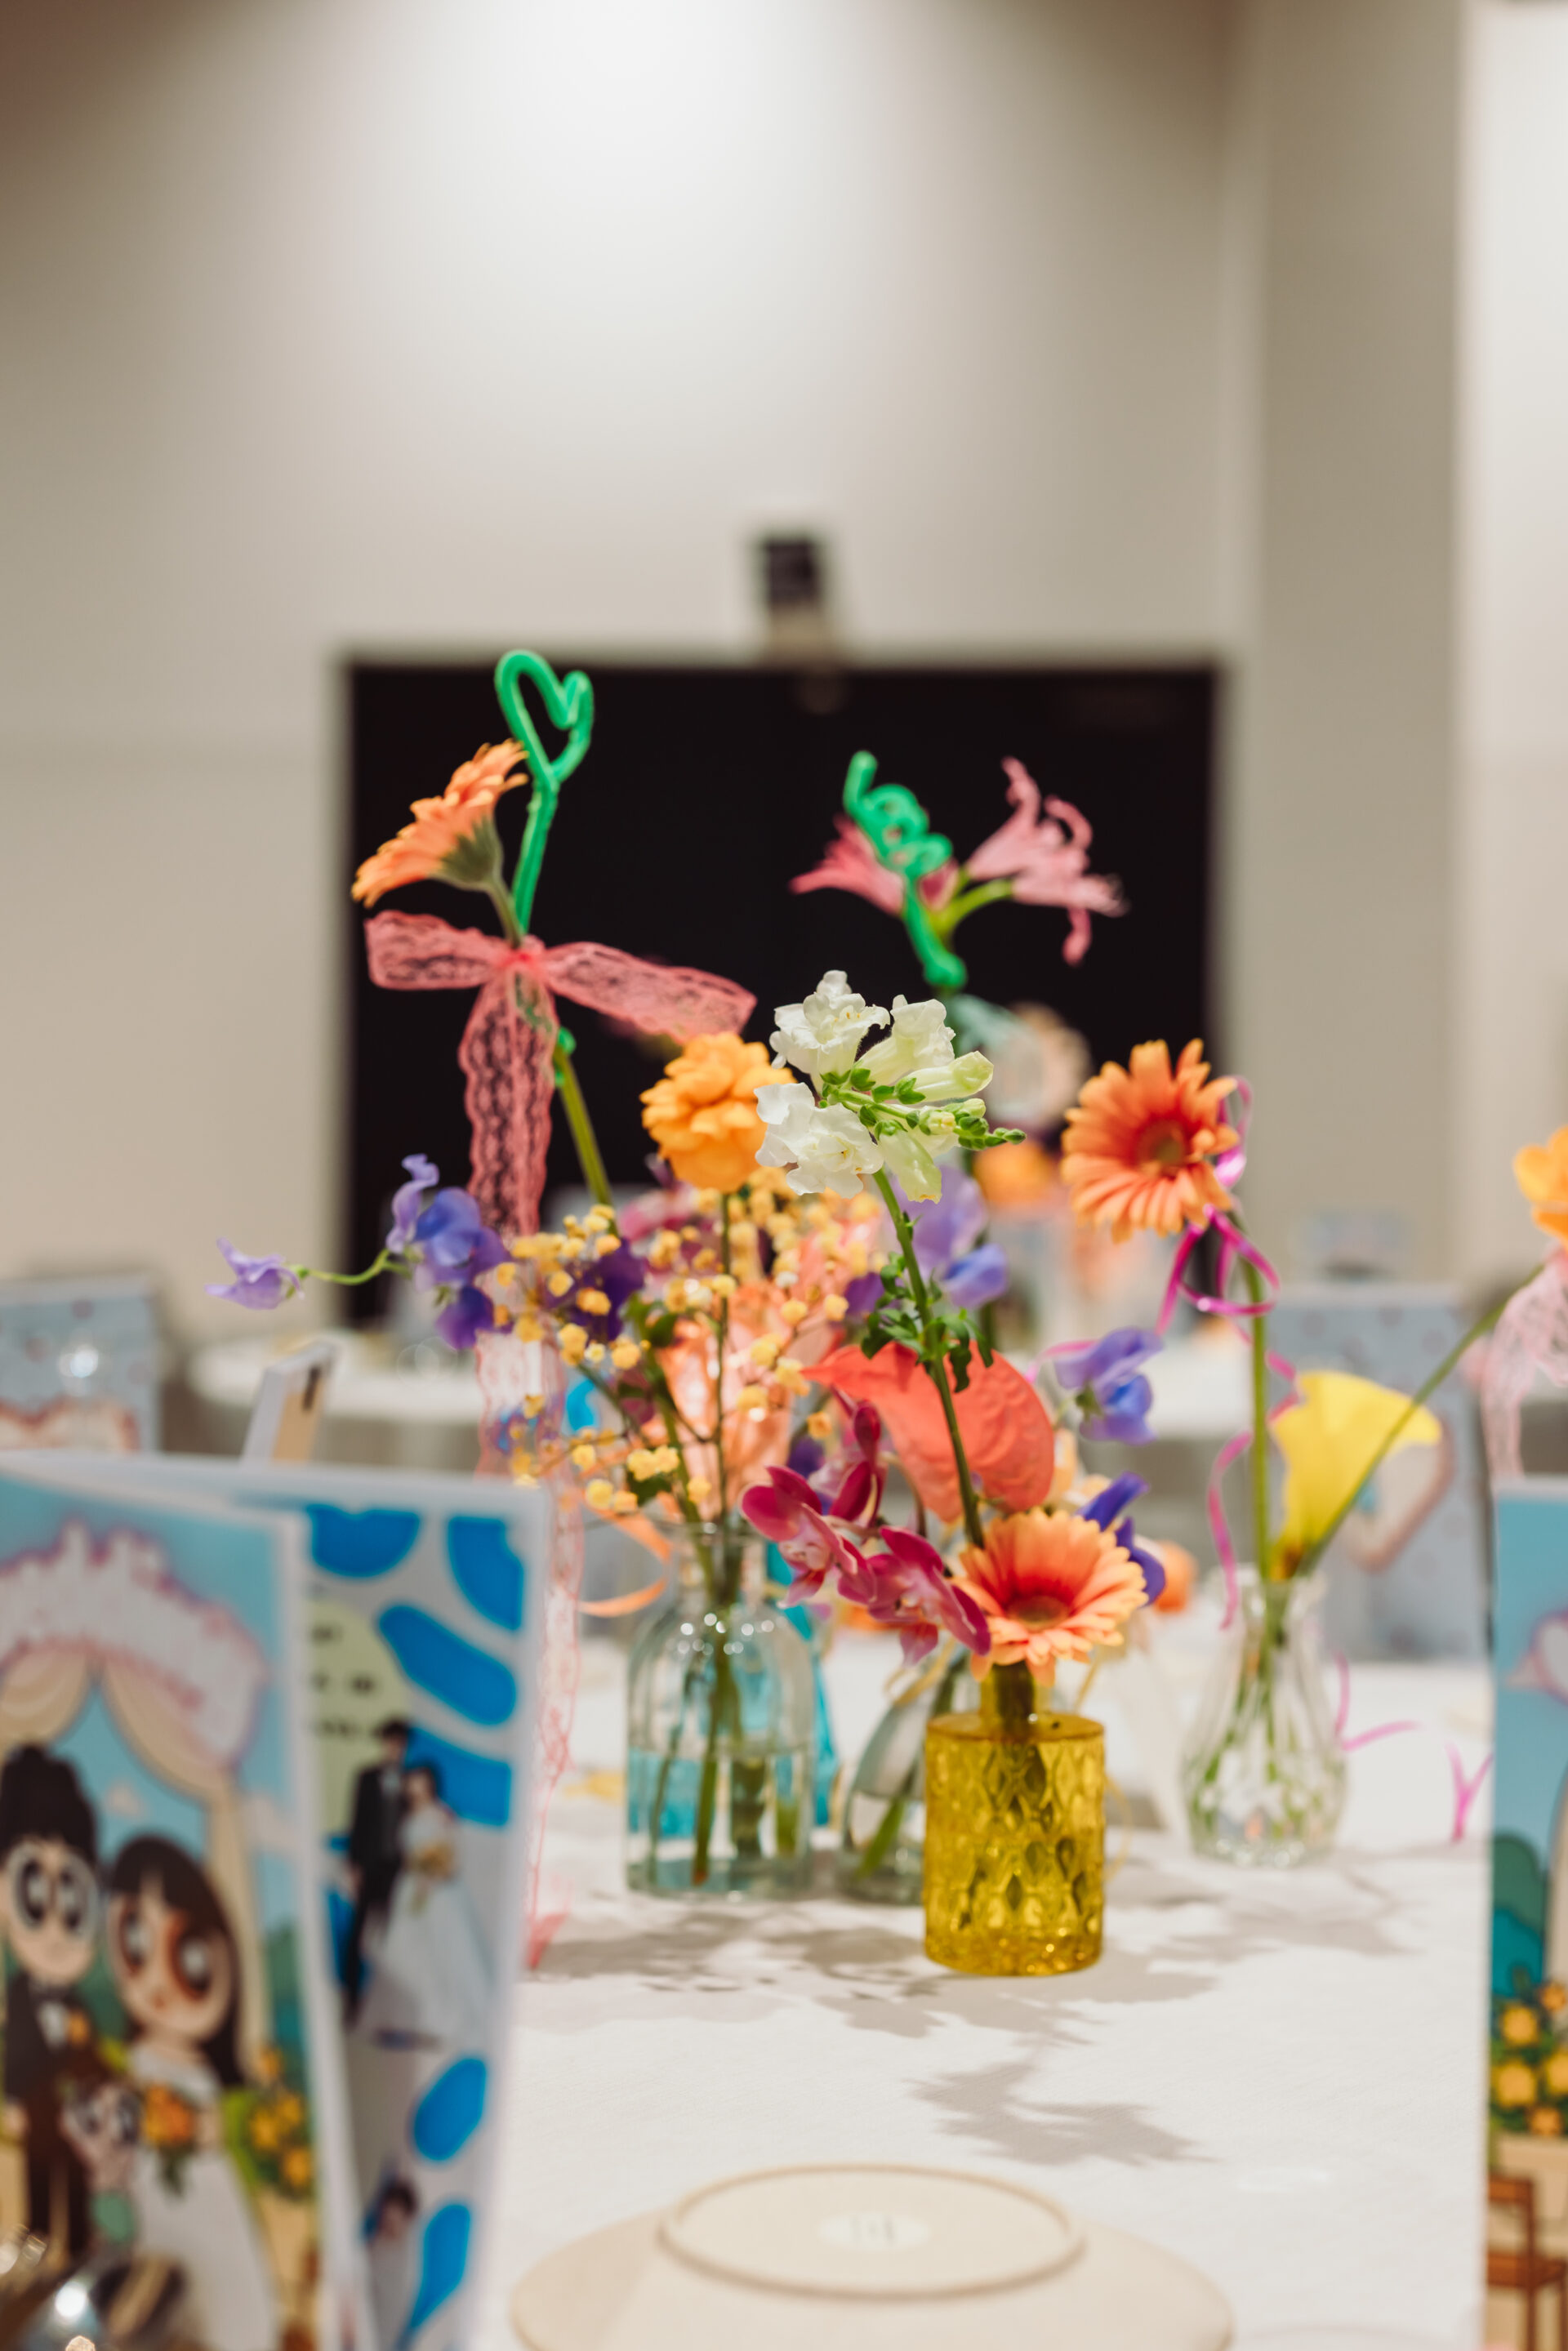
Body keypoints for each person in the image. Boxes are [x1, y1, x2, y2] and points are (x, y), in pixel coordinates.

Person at [106, 1837, 277, 2351]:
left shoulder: (209, 2077)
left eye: (188, 1957)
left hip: (209, 2197)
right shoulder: (133, 2061)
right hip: (151, 2196)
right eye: (135, 1944)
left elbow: (234, 2125)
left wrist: (206, 2127)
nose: (158, 1981)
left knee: (227, 2297)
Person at [0, 1745, 102, 2256]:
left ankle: (77, 2246)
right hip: (39, 2111)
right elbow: (18, 2047)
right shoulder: (20, 1994)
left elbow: (93, 2050)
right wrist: (15, 2101)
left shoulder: (78, 1999)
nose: (58, 1927)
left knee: (75, 2181)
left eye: (74, 1897)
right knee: (39, 2180)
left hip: (76, 2115)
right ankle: (37, 2245)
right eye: (36, 1896)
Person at [356, 1764, 488, 2050]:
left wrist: (434, 1874)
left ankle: (436, 2022)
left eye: (419, 1781)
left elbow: (452, 1852)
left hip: (437, 1892)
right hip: (409, 1889)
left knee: (437, 1954)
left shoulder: (442, 1814)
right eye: (410, 1782)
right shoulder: (405, 1815)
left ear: (430, 1784)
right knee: (399, 1950)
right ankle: (401, 2019)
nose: (413, 1787)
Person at [344, 1718, 412, 2026]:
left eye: (400, 1743)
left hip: (398, 1872)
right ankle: (351, 2000)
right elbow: (356, 1822)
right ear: (383, 1743)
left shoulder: (410, 1780)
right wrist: (353, 1865)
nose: (395, 1748)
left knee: (392, 1935)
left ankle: (385, 2005)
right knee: (357, 1935)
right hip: (369, 1867)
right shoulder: (366, 1777)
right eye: (390, 1742)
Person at [365, 2172, 418, 2351]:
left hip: (375, 2339)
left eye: (392, 2222)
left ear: (407, 2220)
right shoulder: (381, 2239)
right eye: (385, 2219)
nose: (387, 2225)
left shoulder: (405, 2264)